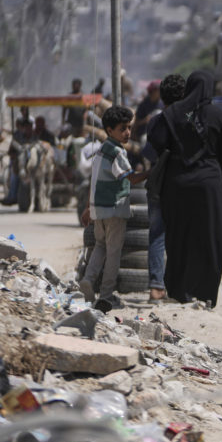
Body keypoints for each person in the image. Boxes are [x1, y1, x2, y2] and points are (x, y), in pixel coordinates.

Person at [148, 70, 222, 307]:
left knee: (178, 237)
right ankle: (206, 293)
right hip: (209, 184)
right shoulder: (218, 115)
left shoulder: (174, 113)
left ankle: (179, 290)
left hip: (177, 184)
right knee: (211, 239)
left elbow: (156, 141)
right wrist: (214, 179)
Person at [79, 105, 148, 312]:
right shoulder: (117, 152)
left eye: (129, 128)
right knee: (114, 252)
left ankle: (89, 280)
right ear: (110, 130)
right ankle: (107, 296)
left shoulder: (101, 149)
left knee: (100, 246)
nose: (127, 132)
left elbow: (94, 181)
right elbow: (131, 178)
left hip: (98, 209)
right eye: (122, 128)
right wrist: (152, 172)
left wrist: (88, 208)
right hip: (115, 210)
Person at [143, 74, 185, 302]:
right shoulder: (188, 119)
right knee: (180, 236)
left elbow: (148, 153)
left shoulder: (155, 121)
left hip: (159, 184)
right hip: (182, 185)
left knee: (157, 235)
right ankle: (177, 287)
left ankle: (156, 288)